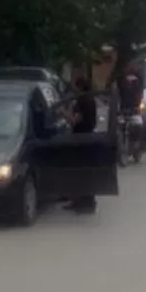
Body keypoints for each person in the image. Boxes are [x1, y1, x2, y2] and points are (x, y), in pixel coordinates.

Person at [63, 76, 98, 212]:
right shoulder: (89, 99)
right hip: (87, 138)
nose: (73, 90)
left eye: (75, 88)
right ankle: (84, 201)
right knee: (84, 171)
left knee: (80, 171)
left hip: (81, 139)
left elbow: (74, 120)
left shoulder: (84, 101)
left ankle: (84, 201)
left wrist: (63, 113)